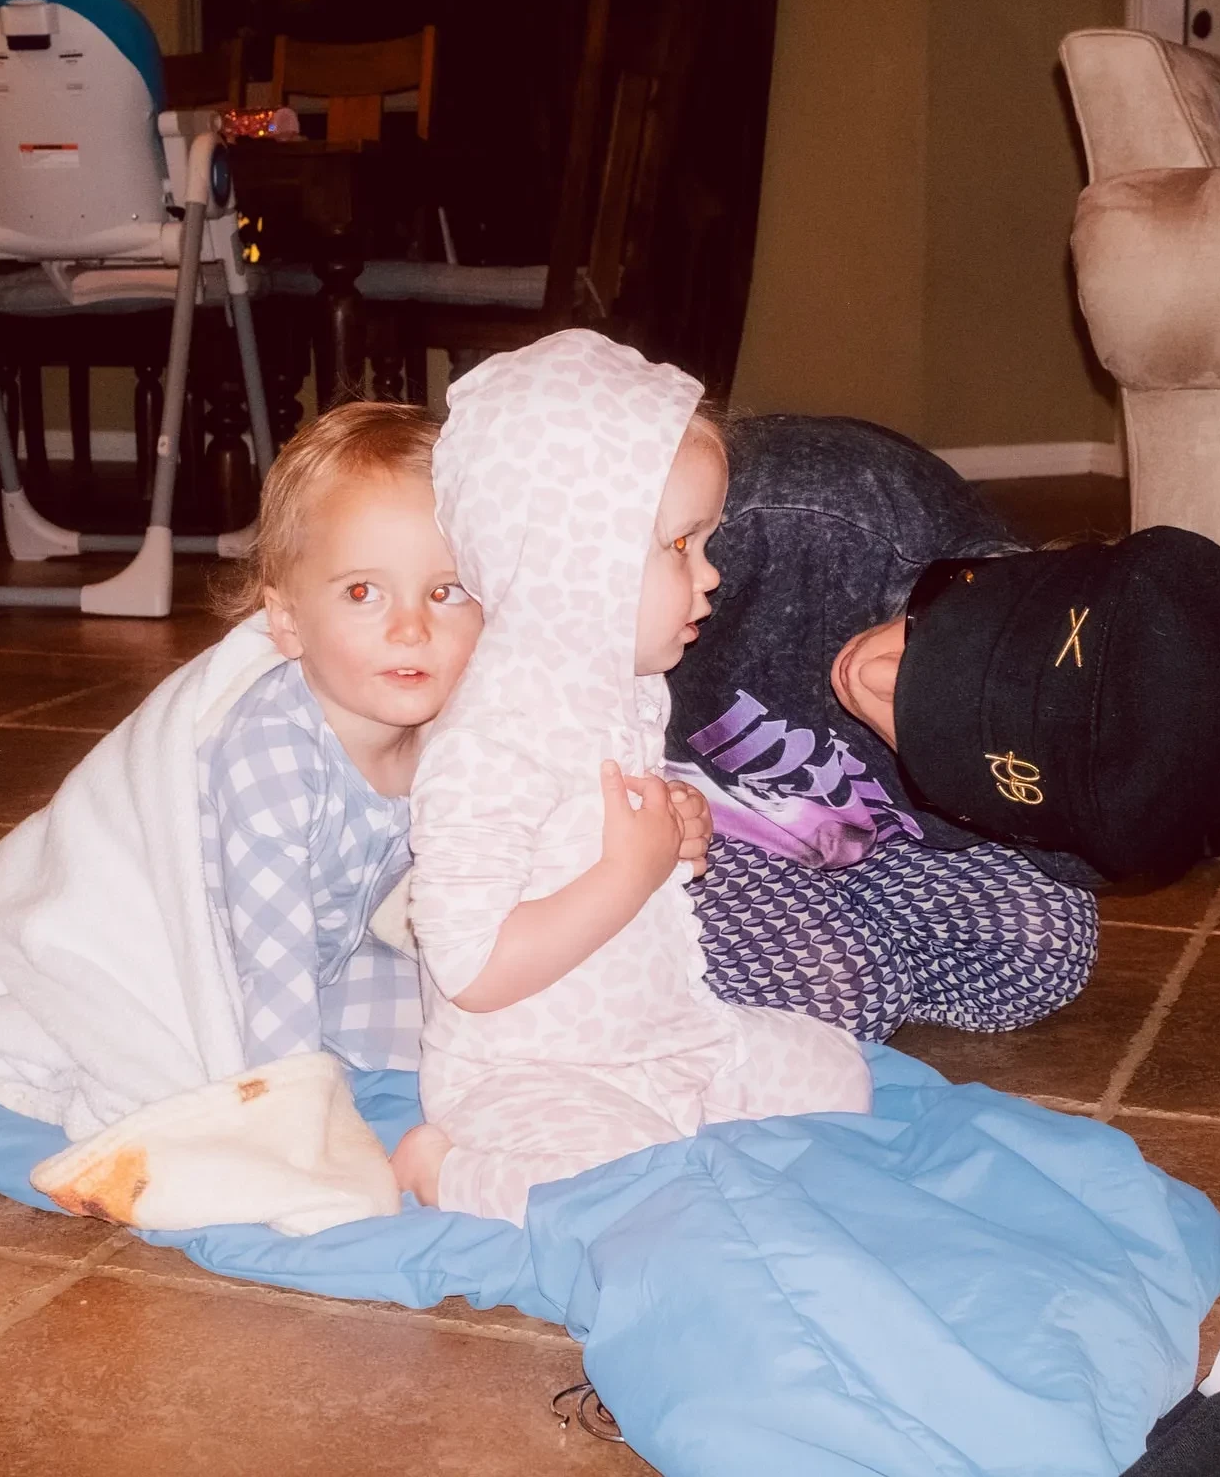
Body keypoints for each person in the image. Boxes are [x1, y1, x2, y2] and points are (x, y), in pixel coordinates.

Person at [391, 332, 872, 1225]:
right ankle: (444, 1169)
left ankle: (660, 1125)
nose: (711, 575)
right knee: (630, 1196)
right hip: (533, 1073)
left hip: (665, 1038)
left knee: (836, 1072)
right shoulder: (488, 740)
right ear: (576, 560)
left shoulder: (623, 686)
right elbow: (472, 969)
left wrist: (675, 825)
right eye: (680, 546)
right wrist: (629, 871)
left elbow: (596, 835)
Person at [668, 415, 1220, 1043]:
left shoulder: (1095, 806)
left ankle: (801, 936)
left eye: (931, 738)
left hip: (833, 831)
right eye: (938, 641)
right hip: (666, 807)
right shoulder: (778, 515)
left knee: (1041, 954)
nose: (870, 677)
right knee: (833, 1000)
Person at [202, 402, 484, 1075]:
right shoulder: (272, 753)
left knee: (482, 1041)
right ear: (288, 622)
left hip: (332, 956)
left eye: (445, 592)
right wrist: (293, 1110)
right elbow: (272, 970)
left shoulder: (455, 729)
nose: (411, 629)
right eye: (363, 592)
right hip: (217, 964)